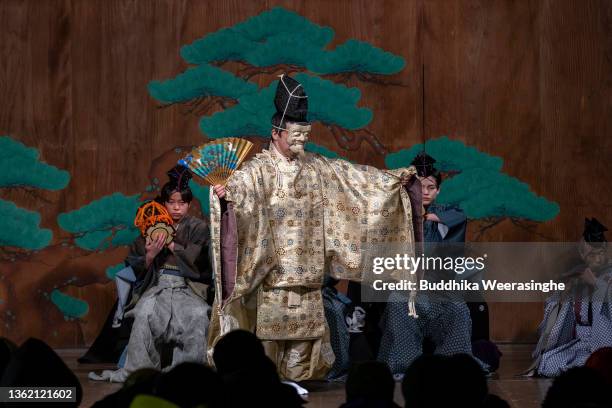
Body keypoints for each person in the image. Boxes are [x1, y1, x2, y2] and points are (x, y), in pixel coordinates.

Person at [207, 74, 419, 381]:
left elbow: (357, 181)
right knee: (269, 345)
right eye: (295, 137)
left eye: (304, 137)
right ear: (276, 132)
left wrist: (394, 180)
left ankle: (297, 387)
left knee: (304, 348)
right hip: (273, 276)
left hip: (308, 276)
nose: (301, 143)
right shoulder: (259, 170)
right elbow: (241, 191)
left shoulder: (317, 167)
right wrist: (228, 194)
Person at [90, 166, 212, 382]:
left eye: (181, 203)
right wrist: (149, 255)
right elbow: (133, 266)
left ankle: (187, 374)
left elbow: (198, 259)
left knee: (199, 315)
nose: (176, 208)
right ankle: (139, 372)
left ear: (189, 205)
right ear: (163, 203)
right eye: (171, 203)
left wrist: (171, 244)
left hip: (188, 288)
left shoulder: (198, 227)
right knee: (144, 314)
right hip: (157, 285)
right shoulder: (151, 225)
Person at [378, 152, 488, 376]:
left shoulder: (448, 213)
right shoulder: (398, 214)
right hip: (407, 288)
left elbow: (457, 218)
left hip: (440, 288)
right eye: (419, 187)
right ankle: (404, 366)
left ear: (438, 190)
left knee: (457, 309)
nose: (424, 192)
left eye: (430, 187)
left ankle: (455, 364)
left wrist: (425, 217)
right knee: (399, 304)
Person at [527, 218, 612, 377]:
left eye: (601, 253)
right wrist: (563, 294)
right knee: (547, 362)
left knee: (600, 363)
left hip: (605, 343)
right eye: (592, 255)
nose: (598, 259)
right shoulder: (579, 275)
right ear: (583, 254)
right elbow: (557, 310)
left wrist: (596, 284)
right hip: (581, 343)